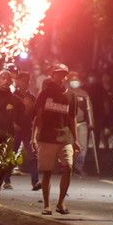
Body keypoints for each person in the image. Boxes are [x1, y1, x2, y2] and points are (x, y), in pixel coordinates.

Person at [33, 64, 78, 215]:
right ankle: (46, 205)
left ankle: (61, 202)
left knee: (69, 167)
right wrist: (35, 136)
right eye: (58, 74)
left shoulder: (71, 96)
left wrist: (75, 139)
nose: (61, 77)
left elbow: (72, 118)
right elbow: (38, 116)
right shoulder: (44, 93)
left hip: (64, 137)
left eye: (64, 74)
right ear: (53, 75)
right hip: (47, 137)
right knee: (47, 172)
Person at [13, 71, 40, 191]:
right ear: (18, 81)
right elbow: (8, 113)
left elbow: (36, 115)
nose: (25, 83)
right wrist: (13, 124)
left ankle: (35, 181)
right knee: (11, 155)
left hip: (28, 130)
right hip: (15, 130)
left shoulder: (32, 98)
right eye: (23, 80)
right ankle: (5, 179)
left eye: (27, 81)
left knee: (33, 155)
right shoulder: (13, 96)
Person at [67, 71, 94, 177]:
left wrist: (91, 122)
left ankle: (78, 167)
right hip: (68, 124)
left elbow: (89, 109)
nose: (74, 82)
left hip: (82, 123)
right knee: (68, 146)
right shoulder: (66, 93)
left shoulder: (84, 94)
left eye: (76, 79)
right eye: (72, 79)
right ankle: (67, 166)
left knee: (82, 146)